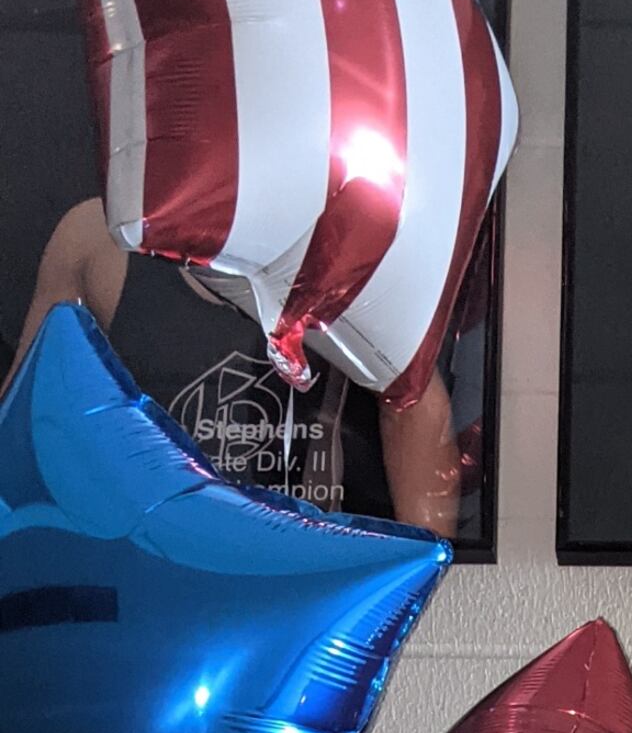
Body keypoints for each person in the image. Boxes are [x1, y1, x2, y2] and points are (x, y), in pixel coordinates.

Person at [6, 197, 460, 536]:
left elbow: (413, 405)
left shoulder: (364, 243)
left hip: (304, 575)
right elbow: (24, 423)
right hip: (156, 568)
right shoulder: (99, 239)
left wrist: (414, 590)